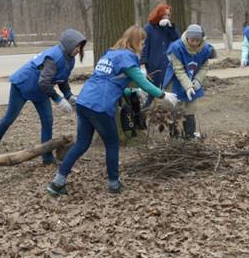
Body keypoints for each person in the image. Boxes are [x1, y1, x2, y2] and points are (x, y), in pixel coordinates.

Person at [46, 25, 179, 196]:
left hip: (84, 102)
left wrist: (131, 92)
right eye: (143, 42)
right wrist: (162, 95)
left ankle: (57, 183)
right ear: (135, 41)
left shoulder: (111, 54)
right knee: (112, 144)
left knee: (81, 144)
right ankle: (114, 184)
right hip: (100, 107)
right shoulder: (128, 59)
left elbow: (109, 82)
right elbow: (143, 82)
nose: (144, 45)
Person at [0, 28, 86, 164]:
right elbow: (44, 82)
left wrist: (69, 96)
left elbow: (62, 79)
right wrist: (58, 99)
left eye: (80, 47)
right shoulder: (54, 57)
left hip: (40, 90)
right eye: (77, 47)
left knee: (47, 121)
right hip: (23, 84)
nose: (78, 50)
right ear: (69, 44)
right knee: (10, 118)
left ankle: (47, 157)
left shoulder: (70, 59)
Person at [163, 24, 215, 138]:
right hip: (175, 81)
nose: (195, 43)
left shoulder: (205, 49)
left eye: (198, 41)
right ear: (187, 38)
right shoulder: (176, 48)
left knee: (190, 108)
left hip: (193, 80)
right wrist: (187, 86)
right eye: (192, 40)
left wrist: (198, 80)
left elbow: (204, 66)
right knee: (175, 109)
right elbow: (179, 70)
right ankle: (174, 136)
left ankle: (189, 136)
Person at [140, 3, 181, 94]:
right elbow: (144, 47)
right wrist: (143, 64)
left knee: (167, 89)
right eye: (164, 15)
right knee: (152, 89)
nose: (166, 17)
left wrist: (171, 28)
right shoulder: (148, 28)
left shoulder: (169, 28)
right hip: (153, 65)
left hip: (167, 64)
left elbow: (178, 41)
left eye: (168, 15)